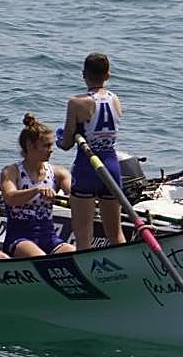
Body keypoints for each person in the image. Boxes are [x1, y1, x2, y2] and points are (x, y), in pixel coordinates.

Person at [58, 53, 126, 250]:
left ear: (83, 75)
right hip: (111, 167)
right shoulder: (116, 100)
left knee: (83, 237)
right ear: (108, 75)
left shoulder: (76, 103)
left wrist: (61, 136)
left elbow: (67, 143)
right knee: (116, 235)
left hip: (87, 167)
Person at [0, 114, 74, 257]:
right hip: (19, 237)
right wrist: (37, 190)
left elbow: (73, 194)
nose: (51, 149)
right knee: (40, 259)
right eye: (46, 145)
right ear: (30, 146)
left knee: (73, 254)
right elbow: (10, 198)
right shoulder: (11, 171)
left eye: (51, 145)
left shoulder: (59, 173)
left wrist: (73, 198)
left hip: (49, 237)